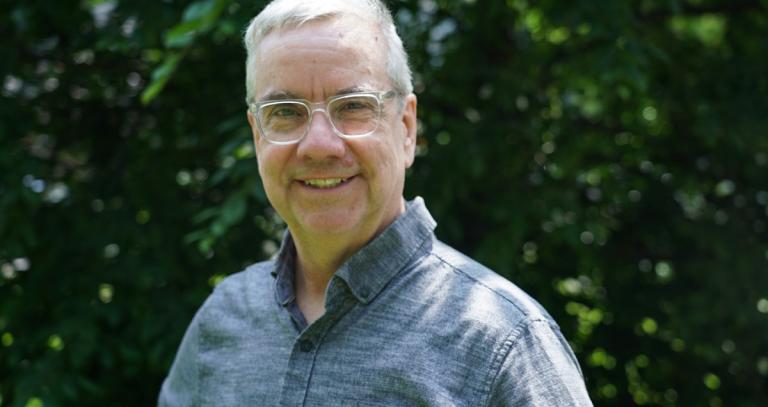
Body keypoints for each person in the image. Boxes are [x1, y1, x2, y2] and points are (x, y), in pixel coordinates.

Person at [159, 0, 592, 405]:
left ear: (406, 129)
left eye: (352, 106)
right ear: (258, 136)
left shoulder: (504, 344)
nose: (319, 145)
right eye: (286, 112)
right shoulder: (223, 319)